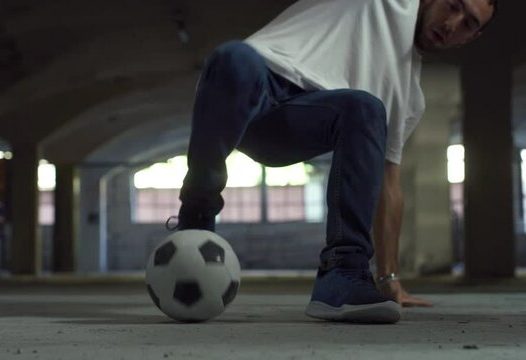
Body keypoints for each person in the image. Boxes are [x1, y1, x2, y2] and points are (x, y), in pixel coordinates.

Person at [170, 0, 497, 323]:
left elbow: (388, 185)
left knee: (367, 107)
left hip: (294, 124)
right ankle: (198, 212)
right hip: (251, 85)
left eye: (468, 23)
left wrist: (389, 278)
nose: (451, 23)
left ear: (472, 37)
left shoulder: (410, 96)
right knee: (234, 56)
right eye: (452, 6)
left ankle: (343, 274)